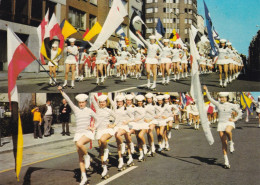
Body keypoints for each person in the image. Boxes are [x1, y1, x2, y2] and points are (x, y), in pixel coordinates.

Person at [58, 86, 97, 185]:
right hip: (78, 133)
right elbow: (68, 100)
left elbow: (98, 119)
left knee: (80, 144)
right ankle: (84, 177)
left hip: (87, 133)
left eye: (83, 102)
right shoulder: (75, 109)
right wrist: (61, 91)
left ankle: (87, 156)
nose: (81, 104)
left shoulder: (89, 110)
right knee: (80, 157)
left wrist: (93, 127)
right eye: (80, 103)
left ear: (86, 102)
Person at [203, 86, 242, 169]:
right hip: (221, 124)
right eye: (220, 98)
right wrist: (206, 90)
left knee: (228, 131)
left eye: (223, 98)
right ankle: (226, 161)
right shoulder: (218, 104)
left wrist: (234, 119)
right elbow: (210, 99)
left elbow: (239, 112)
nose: (221, 99)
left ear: (227, 98)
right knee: (224, 143)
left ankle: (231, 142)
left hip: (229, 122)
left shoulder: (232, 105)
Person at [90, 94, 116, 178]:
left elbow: (118, 118)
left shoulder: (109, 110)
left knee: (103, 140)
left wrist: (113, 125)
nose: (102, 103)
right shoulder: (97, 109)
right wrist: (92, 93)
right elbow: (92, 99)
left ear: (106, 102)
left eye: (103, 102)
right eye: (100, 102)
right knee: (101, 149)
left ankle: (107, 150)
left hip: (107, 130)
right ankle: (104, 168)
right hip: (99, 131)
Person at [109, 94, 134, 169]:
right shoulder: (115, 108)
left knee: (122, 138)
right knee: (118, 144)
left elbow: (132, 117)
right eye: (118, 102)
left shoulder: (127, 109)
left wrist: (127, 121)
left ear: (123, 102)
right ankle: (121, 160)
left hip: (124, 126)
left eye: (120, 102)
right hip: (117, 126)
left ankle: (129, 156)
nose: (119, 103)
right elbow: (110, 98)